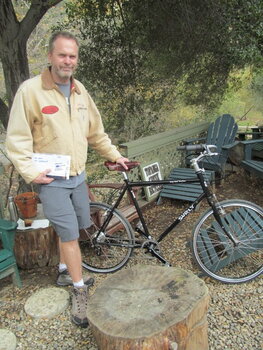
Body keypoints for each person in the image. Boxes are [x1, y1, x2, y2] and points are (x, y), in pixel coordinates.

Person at [6, 31, 128, 327]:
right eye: (62, 55)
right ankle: (79, 290)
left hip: (78, 176)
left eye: (72, 56)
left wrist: (115, 155)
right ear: (50, 56)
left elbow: (95, 132)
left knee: (75, 227)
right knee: (72, 236)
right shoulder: (30, 91)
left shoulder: (80, 91)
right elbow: (17, 139)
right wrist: (32, 172)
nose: (67, 61)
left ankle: (63, 268)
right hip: (52, 180)